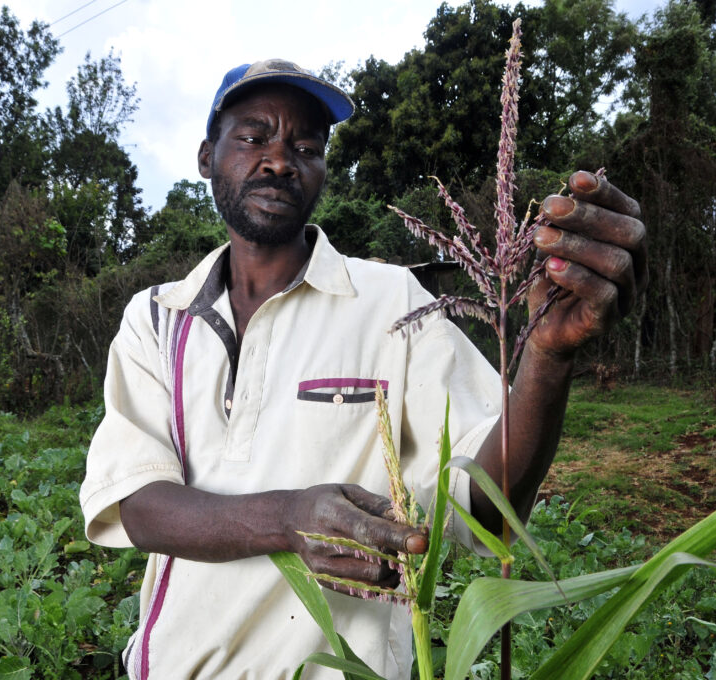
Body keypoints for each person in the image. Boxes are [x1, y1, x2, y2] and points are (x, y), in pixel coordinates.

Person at [80, 59, 646, 679]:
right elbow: (137, 503)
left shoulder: (393, 303)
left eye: (306, 146)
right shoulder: (159, 317)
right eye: (252, 137)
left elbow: (487, 505)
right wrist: (288, 520)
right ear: (205, 155)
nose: (278, 160)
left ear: (322, 170)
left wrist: (546, 356)